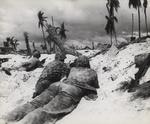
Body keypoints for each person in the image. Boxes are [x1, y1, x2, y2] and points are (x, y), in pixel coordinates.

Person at [5, 56, 99, 124]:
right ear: (87, 63)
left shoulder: (73, 68)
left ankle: (8, 117)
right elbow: (94, 87)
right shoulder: (92, 72)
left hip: (57, 85)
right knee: (47, 110)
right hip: (71, 90)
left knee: (34, 104)